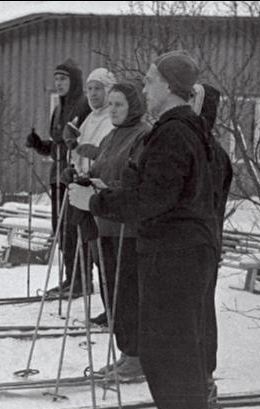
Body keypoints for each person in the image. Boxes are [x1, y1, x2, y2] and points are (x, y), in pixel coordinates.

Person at [68, 50, 218, 409]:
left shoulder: (173, 132)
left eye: (151, 80)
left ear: (170, 86)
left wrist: (96, 201)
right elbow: (156, 189)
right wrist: (106, 190)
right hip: (178, 251)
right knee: (171, 352)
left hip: (175, 255)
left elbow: (155, 199)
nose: (145, 86)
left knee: (169, 354)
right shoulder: (185, 130)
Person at [82, 81, 151, 379]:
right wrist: (83, 178)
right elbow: (100, 170)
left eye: (119, 104)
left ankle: (138, 356)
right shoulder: (111, 137)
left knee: (128, 294)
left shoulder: (144, 136)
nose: (112, 110)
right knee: (112, 294)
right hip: (106, 224)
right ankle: (127, 352)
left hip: (129, 227)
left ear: (133, 106)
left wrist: (107, 188)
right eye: (110, 104)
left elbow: (137, 183)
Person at [26, 59, 91, 295]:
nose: (59, 83)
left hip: (74, 175)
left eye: (63, 78)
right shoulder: (58, 108)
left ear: (74, 81)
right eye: (56, 78)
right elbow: (56, 146)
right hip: (57, 176)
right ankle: (70, 277)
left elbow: (81, 142)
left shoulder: (84, 105)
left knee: (74, 227)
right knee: (61, 229)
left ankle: (82, 279)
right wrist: (39, 145)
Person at [62, 67, 117, 315]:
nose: (93, 94)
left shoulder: (111, 118)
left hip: (102, 193)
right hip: (85, 190)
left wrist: (89, 152)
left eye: (99, 89)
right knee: (95, 252)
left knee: (106, 256)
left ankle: (115, 309)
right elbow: (77, 152)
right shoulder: (90, 118)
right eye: (90, 89)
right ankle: (109, 308)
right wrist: (71, 154)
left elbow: (107, 154)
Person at [192, 83, 233, 405]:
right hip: (192, 242)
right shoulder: (192, 144)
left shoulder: (210, 151)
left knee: (201, 311)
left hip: (202, 243)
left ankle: (204, 379)